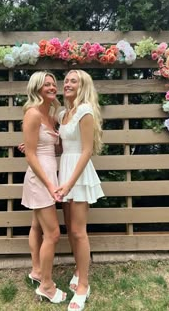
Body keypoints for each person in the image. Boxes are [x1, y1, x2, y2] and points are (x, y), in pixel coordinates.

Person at [56, 69, 104, 311]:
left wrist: (69, 183)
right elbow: (61, 145)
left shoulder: (85, 111)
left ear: (83, 85)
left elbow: (86, 151)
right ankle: (77, 268)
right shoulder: (64, 113)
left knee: (78, 231)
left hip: (78, 174)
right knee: (69, 228)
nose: (67, 84)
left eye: (73, 81)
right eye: (65, 80)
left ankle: (84, 284)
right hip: (64, 170)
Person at [20, 71, 66, 304]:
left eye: (53, 84)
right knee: (53, 233)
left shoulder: (51, 115)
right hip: (40, 179)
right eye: (46, 84)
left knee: (37, 225)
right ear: (37, 88)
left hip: (50, 174)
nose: (52, 87)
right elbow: (31, 156)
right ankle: (47, 286)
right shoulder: (33, 113)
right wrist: (50, 185)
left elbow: (53, 150)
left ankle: (37, 272)